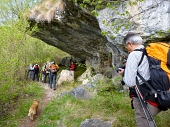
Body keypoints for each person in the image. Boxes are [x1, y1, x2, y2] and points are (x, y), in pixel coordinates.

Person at [118, 32, 161, 127]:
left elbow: (130, 81)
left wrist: (124, 74)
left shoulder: (134, 55)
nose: (128, 50)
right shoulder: (150, 52)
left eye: (126, 47)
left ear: (130, 43)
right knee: (149, 119)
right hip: (157, 93)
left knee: (144, 120)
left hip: (143, 95)